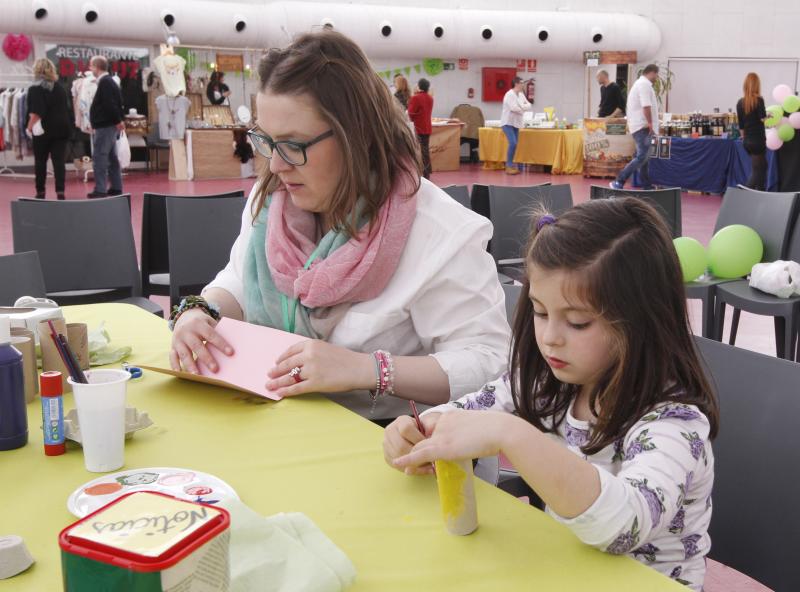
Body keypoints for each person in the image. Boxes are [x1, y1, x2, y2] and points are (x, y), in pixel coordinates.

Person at [169, 30, 510, 421]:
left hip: (385, 436)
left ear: (357, 136)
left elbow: (488, 363)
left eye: (293, 145)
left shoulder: (438, 232)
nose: (276, 165)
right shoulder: (272, 204)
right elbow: (241, 280)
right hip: (278, 420)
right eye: (267, 141)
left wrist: (366, 369)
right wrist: (202, 314)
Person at [385, 198, 719, 591]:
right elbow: (466, 412)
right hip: (562, 572)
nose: (549, 338)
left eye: (577, 322)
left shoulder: (674, 422)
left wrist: (512, 435)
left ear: (640, 321)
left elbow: (624, 526)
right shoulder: (547, 384)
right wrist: (421, 429)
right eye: (541, 312)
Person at [26, 58, 71, 200]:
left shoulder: (35, 88)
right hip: (61, 128)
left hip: (43, 130)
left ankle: (40, 191)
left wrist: (29, 127)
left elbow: (37, 112)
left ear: (37, 70)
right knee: (59, 161)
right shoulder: (59, 87)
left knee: (40, 161)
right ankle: (60, 190)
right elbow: (66, 108)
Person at [611, 64, 660, 190]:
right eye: (656, 75)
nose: (657, 78)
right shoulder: (644, 85)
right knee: (642, 156)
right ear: (652, 72)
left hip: (640, 126)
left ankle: (646, 185)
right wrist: (650, 123)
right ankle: (619, 180)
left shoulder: (641, 84)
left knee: (644, 157)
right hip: (643, 126)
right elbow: (646, 106)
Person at [87, 55, 125, 198]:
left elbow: (110, 103)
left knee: (100, 157)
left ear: (97, 67)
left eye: (91, 66)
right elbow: (116, 102)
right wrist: (118, 120)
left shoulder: (105, 82)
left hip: (105, 126)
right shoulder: (109, 82)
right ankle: (116, 186)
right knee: (111, 157)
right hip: (109, 124)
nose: (90, 69)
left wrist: (117, 120)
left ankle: (100, 189)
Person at [736, 73, 768, 191]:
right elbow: (762, 118)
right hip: (758, 140)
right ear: (756, 85)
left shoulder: (740, 102)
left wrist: (743, 137)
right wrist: (768, 116)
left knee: (763, 166)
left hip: (747, 141)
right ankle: (744, 191)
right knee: (757, 171)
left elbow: (741, 125)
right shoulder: (759, 100)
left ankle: (760, 192)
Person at [500, 76, 532, 175]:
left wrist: (521, 107)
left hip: (516, 123)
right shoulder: (509, 94)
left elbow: (529, 105)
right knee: (513, 143)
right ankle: (508, 166)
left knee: (515, 144)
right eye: (522, 83)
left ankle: (512, 165)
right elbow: (513, 108)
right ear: (516, 84)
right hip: (507, 123)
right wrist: (523, 108)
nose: (523, 85)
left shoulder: (521, 95)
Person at [408, 78, 433, 179]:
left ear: (418, 86)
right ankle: (427, 172)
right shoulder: (430, 98)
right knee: (425, 151)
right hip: (427, 127)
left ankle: (417, 172)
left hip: (418, 128)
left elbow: (410, 113)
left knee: (416, 151)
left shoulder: (415, 98)